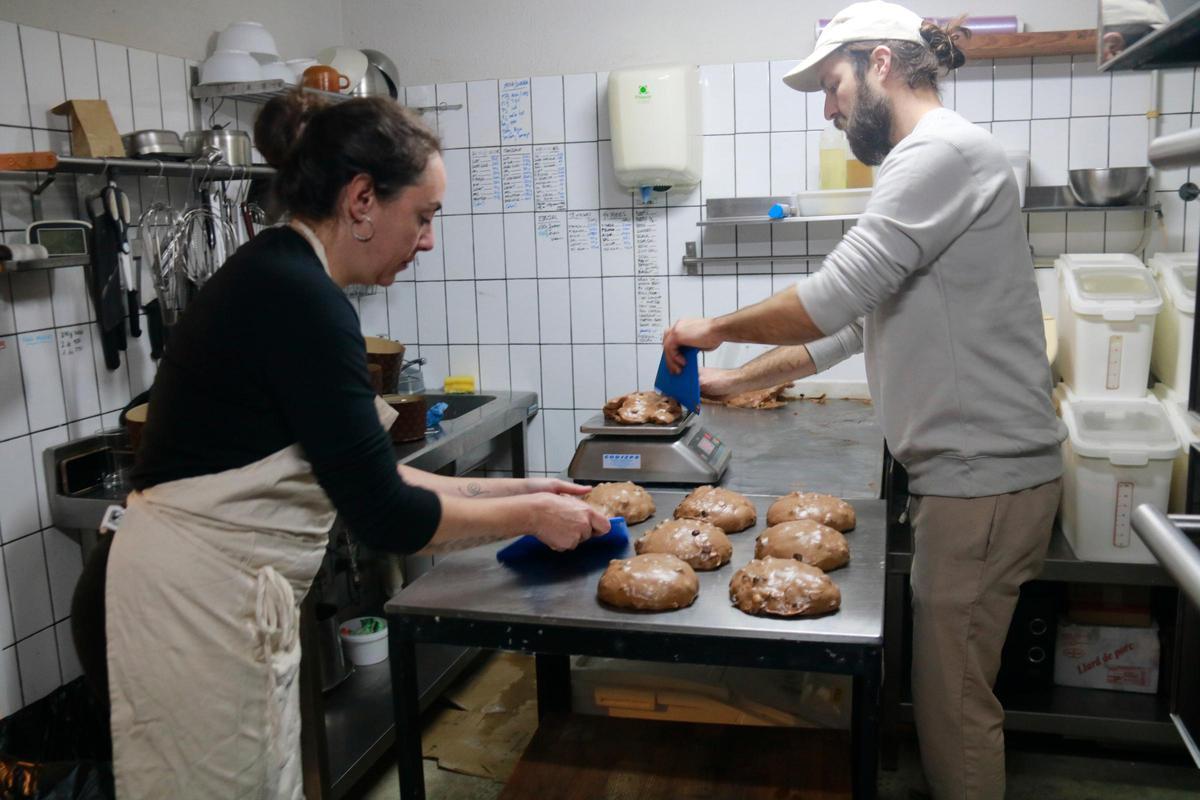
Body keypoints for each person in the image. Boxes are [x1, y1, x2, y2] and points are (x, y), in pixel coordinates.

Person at [71, 91, 609, 799]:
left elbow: (371, 475)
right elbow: (387, 515)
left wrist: (528, 490)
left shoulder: (287, 274)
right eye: (422, 216)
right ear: (361, 200)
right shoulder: (300, 298)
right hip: (187, 606)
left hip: (204, 594)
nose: (428, 240)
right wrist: (535, 518)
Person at [662, 3, 1064, 797]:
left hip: (985, 481)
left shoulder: (940, 155)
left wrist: (713, 327)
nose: (828, 106)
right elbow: (855, 326)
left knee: (953, 704)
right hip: (971, 480)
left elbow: (832, 295)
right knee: (948, 691)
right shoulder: (930, 162)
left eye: (831, 83)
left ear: (880, 63)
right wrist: (735, 381)